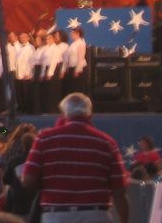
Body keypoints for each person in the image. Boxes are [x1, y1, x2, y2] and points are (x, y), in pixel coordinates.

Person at [22, 92, 129, 223]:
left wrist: (50, 185)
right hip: (95, 214)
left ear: (64, 114)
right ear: (90, 114)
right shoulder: (106, 142)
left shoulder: (45, 138)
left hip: (57, 214)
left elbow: (28, 180)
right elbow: (119, 190)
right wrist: (124, 219)